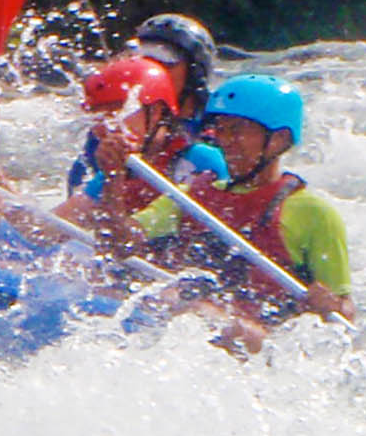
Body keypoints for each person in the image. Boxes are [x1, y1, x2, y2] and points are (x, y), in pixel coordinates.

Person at [133, 74, 353, 349]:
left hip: (267, 339)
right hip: (194, 321)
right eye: (220, 129)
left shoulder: (314, 213)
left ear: (279, 139)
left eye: (237, 130)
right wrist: (113, 178)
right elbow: (120, 243)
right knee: (168, 300)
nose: (225, 140)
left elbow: (346, 315)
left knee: (213, 320)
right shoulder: (190, 197)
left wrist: (331, 305)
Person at [56, 53, 229, 236]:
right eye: (99, 115)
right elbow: (52, 227)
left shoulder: (202, 160)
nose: (106, 126)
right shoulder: (114, 172)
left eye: (116, 111)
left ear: (156, 112)